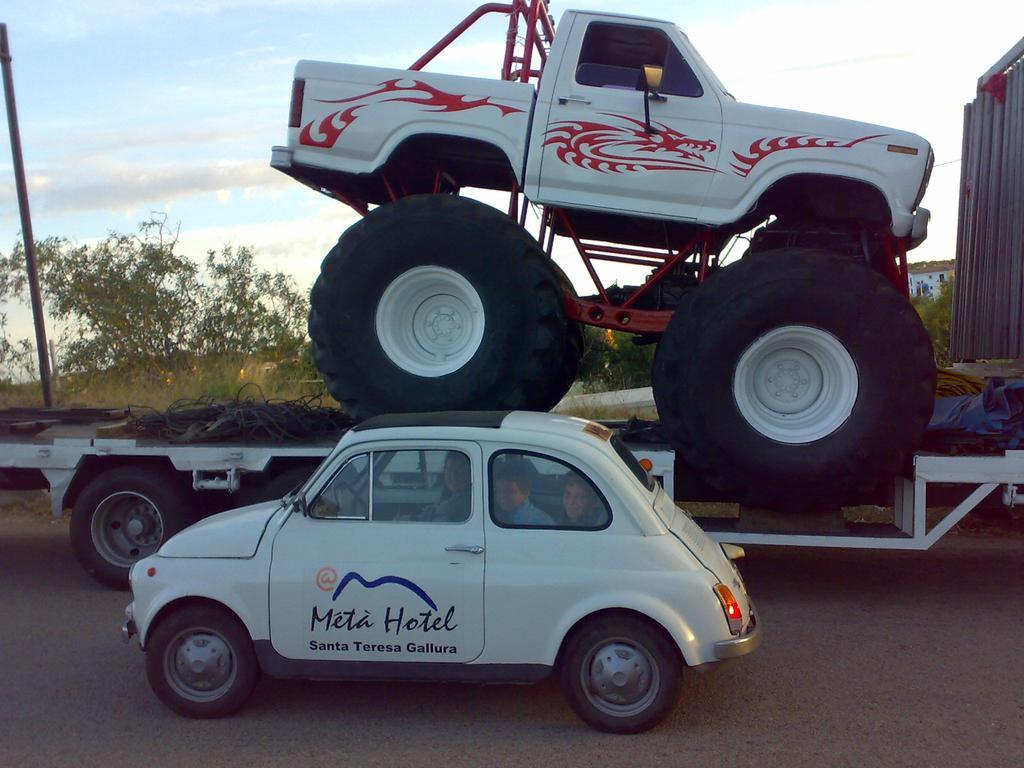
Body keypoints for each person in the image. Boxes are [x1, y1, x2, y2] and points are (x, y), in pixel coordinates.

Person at [492, 457, 554, 526]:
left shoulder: (537, 521)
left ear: (525, 492)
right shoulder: (499, 514)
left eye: (509, 491)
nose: (502, 496)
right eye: (498, 491)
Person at [431, 452, 472, 522]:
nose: (453, 477)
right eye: (449, 470)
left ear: (469, 474)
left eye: (459, 471)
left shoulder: (466, 502)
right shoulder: (448, 497)